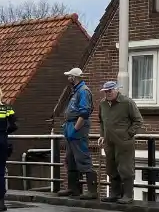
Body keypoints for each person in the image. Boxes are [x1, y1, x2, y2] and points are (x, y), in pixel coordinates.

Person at [97, 81, 145, 203]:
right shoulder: (102, 104)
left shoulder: (127, 102)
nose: (108, 93)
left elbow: (138, 121)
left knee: (125, 167)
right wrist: (102, 135)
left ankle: (128, 195)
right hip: (109, 142)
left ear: (117, 90)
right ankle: (115, 193)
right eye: (106, 91)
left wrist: (128, 134)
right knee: (111, 167)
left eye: (110, 90)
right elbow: (102, 121)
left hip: (124, 143)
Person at [61, 67, 97, 199]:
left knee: (82, 157)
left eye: (69, 76)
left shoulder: (83, 91)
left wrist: (76, 128)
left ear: (74, 77)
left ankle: (92, 191)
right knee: (70, 158)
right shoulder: (76, 91)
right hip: (71, 126)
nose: (68, 78)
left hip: (77, 127)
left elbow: (84, 112)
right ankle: (73, 188)